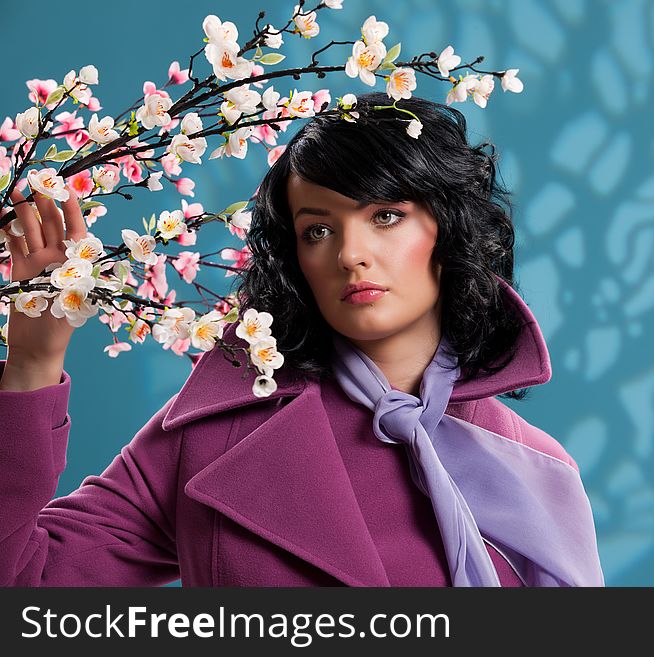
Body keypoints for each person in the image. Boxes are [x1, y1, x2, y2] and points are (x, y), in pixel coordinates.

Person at [0, 92, 604, 587]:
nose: (349, 255)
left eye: (385, 216)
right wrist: (33, 361)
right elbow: (24, 584)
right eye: (317, 230)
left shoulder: (535, 468)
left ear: (448, 230)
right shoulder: (218, 433)